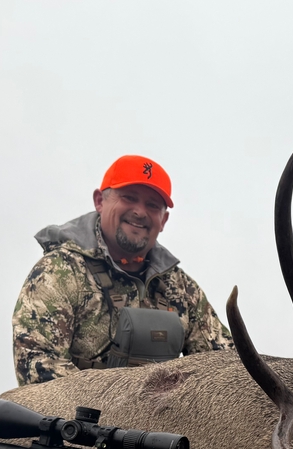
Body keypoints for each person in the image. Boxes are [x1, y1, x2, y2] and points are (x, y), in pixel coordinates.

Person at [12, 155, 234, 385]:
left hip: (161, 418)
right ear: (100, 201)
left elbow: (225, 369)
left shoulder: (183, 290)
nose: (140, 212)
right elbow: (36, 364)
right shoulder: (59, 272)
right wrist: (117, 408)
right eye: (129, 198)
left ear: (164, 220)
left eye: (152, 205)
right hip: (77, 418)